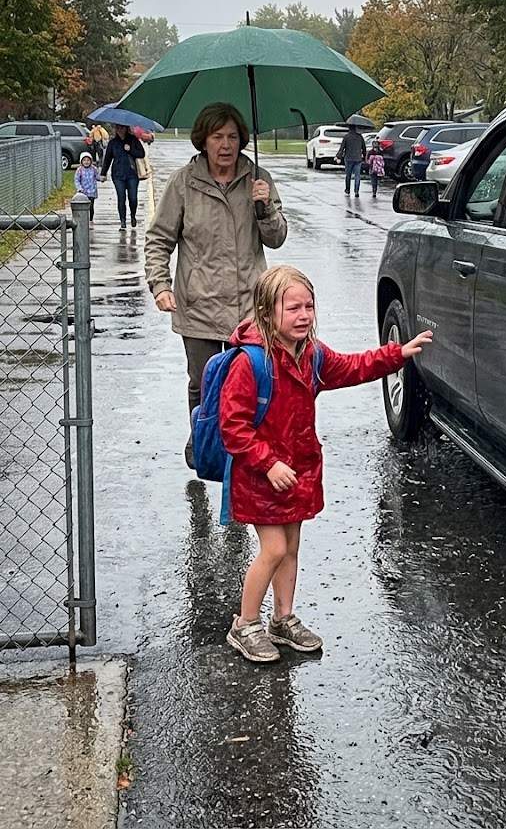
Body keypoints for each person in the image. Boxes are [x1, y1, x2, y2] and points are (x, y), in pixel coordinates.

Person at [219, 264, 433, 663]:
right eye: (292, 309)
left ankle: (282, 619)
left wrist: (396, 355)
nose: (303, 316)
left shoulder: (311, 356)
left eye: (309, 306)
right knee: (274, 548)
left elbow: (352, 367)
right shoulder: (249, 364)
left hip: (298, 469)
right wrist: (267, 464)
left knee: (292, 547)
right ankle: (245, 623)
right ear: (267, 314)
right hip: (262, 477)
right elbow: (233, 428)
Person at [144, 102, 288, 468]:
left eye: (233, 137)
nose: (226, 145)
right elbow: (159, 239)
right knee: (204, 383)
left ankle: (246, 452)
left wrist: (265, 207)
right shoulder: (183, 183)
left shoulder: (259, 179)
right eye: (217, 137)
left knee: (253, 382)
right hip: (199, 303)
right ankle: (205, 438)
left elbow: (277, 238)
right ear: (203, 141)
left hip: (251, 305)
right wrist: (160, 285)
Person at [99, 123, 145, 229]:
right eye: (117, 128)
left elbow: (141, 153)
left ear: (126, 128)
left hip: (132, 174)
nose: (119, 130)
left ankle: (133, 216)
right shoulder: (113, 143)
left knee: (133, 198)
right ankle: (122, 221)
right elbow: (107, 159)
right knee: (121, 197)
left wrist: (131, 150)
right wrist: (103, 173)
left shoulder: (133, 140)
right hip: (118, 175)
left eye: (121, 128)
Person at [73, 151, 102, 227]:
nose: (86, 162)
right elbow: (77, 180)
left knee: (91, 206)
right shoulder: (79, 170)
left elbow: (97, 176)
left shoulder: (93, 169)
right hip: (83, 192)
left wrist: (101, 178)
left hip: (92, 191)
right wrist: (79, 188)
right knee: (83, 207)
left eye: (88, 160)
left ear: (91, 161)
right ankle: (84, 219)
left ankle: (90, 220)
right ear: (81, 161)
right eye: (84, 160)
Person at [338, 125, 366, 197]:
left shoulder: (346, 137)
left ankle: (347, 190)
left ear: (349, 129)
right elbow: (364, 148)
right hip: (358, 158)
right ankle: (356, 191)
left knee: (348, 175)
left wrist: (339, 156)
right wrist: (364, 156)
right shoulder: (360, 137)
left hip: (348, 158)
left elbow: (342, 148)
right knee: (357, 176)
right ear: (355, 128)